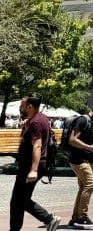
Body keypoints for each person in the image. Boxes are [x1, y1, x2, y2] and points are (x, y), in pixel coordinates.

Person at [9, 95, 60, 231]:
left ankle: (49, 219)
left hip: (30, 166)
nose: (21, 107)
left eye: (22, 105)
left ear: (30, 106)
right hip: (30, 165)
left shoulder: (36, 122)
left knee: (20, 201)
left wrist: (33, 169)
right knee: (18, 201)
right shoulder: (40, 118)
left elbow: (37, 145)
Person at [65, 103, 93, 230]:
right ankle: (82, 217)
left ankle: (75, 219)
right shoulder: (82, 120)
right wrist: (88, 147)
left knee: (83, 187)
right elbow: (72, 140)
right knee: (90, 184)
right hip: (78, 160)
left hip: (87, 159)